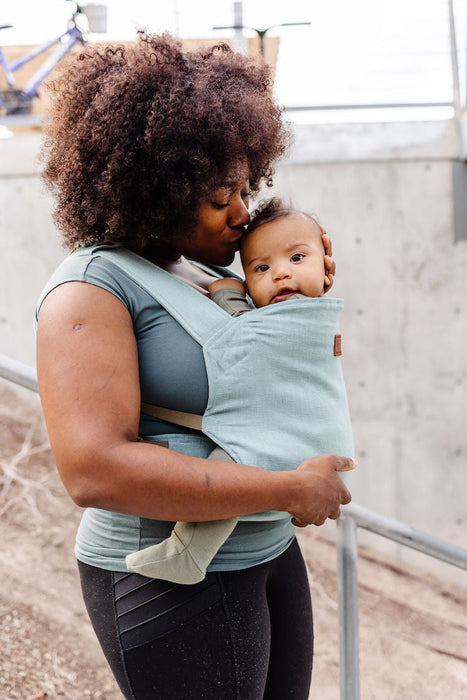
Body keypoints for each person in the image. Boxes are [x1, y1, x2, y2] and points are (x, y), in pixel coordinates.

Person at [35, 32, 354, 700]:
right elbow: (95, 469)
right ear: (155, 187)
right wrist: (286, 491)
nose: (242, 213)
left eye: (245, 187)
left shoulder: (201, 267)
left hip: (265, 551)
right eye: (219, 197)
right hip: (165, 578)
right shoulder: (90, 290)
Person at [125, 197, 353, 586]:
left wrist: (230, 296)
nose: (281, 274)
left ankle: (189, 551)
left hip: (309, 438)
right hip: (309, 442)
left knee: (229, 460)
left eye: (297, 259)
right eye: (262, 268)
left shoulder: (309, 317)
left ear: (326, 264)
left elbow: (246, 340)